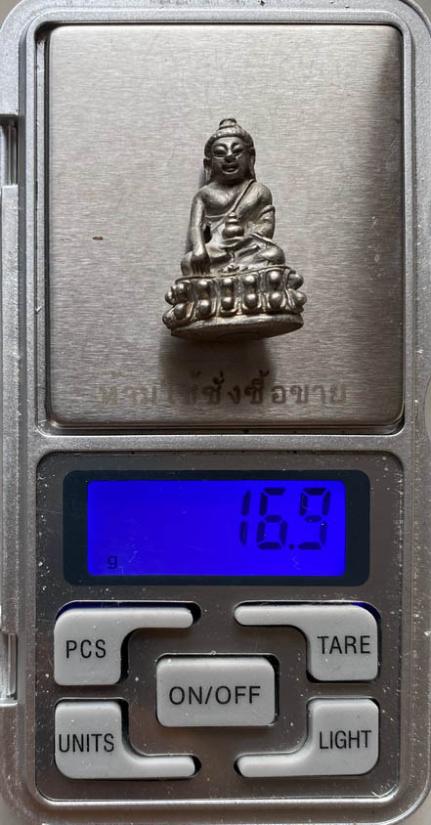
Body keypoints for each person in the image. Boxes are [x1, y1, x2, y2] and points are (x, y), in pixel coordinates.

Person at [181, 118, 286, 277]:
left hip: (247, 247)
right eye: (220, 153)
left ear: (251, 158)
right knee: (188, 262)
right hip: (217, 249)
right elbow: (195, 227)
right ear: (208, 164)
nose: (229, 157)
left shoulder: (259, 191)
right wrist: (199, 248)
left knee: (274, 255)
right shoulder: (204, 195)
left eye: (237, 151)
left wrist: (245, 239)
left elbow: (266, 224)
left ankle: (233, 274)